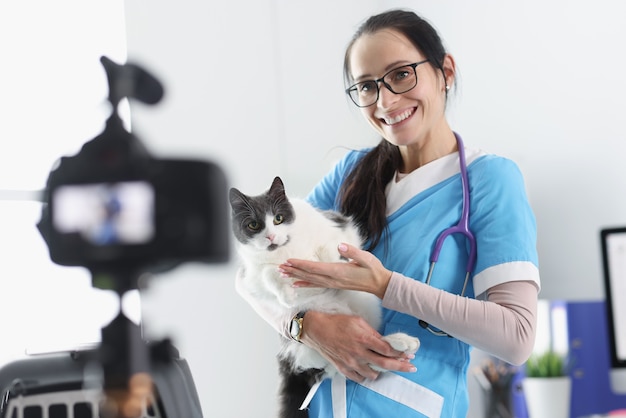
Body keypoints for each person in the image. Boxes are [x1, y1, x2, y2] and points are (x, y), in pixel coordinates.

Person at [237, 8, 540, 418]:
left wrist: (386, 286)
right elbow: (249, 277)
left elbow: (517, 337)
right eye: (366, 87)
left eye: (401, 74)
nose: (385, 101)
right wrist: (306, 324)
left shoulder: (490, 181)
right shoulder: (349, 175)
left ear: (445, 71)